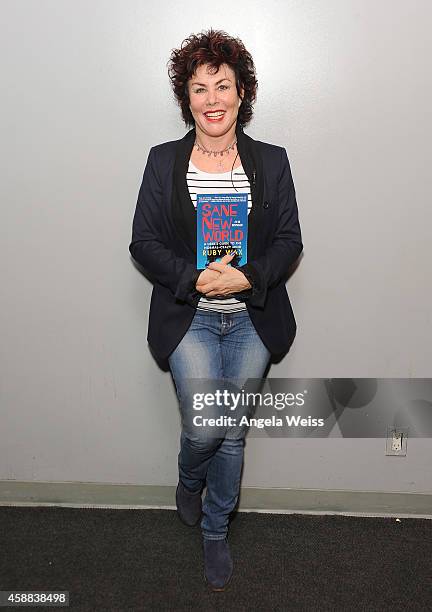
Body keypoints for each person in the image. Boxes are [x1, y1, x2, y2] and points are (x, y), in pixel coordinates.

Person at [129, 29, 303, 591]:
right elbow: (144, 241)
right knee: (206, 427)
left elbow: (288, 240)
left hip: (252, 316)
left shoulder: (271, 162)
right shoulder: (163, 162)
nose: (212, 99)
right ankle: (188, 478)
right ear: (187, 98)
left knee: (231, 434)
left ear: (242, 92)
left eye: (222, 85)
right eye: (199, 88)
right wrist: (193, 276)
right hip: (192, 318)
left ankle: (214, 530)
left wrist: (249, 275)